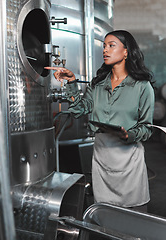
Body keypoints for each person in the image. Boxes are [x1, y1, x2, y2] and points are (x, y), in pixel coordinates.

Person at [46, 30, 155, 211]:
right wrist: (71, 82)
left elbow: (147, 127)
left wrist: (130, 134)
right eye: (104, 46)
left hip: (129, 158)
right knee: (104, 214)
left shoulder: (142, 86)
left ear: (126, 51)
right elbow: (80, 110)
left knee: (134, 216)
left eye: (112, 45)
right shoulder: (97, 85)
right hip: (102, 155)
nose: (105, 50)